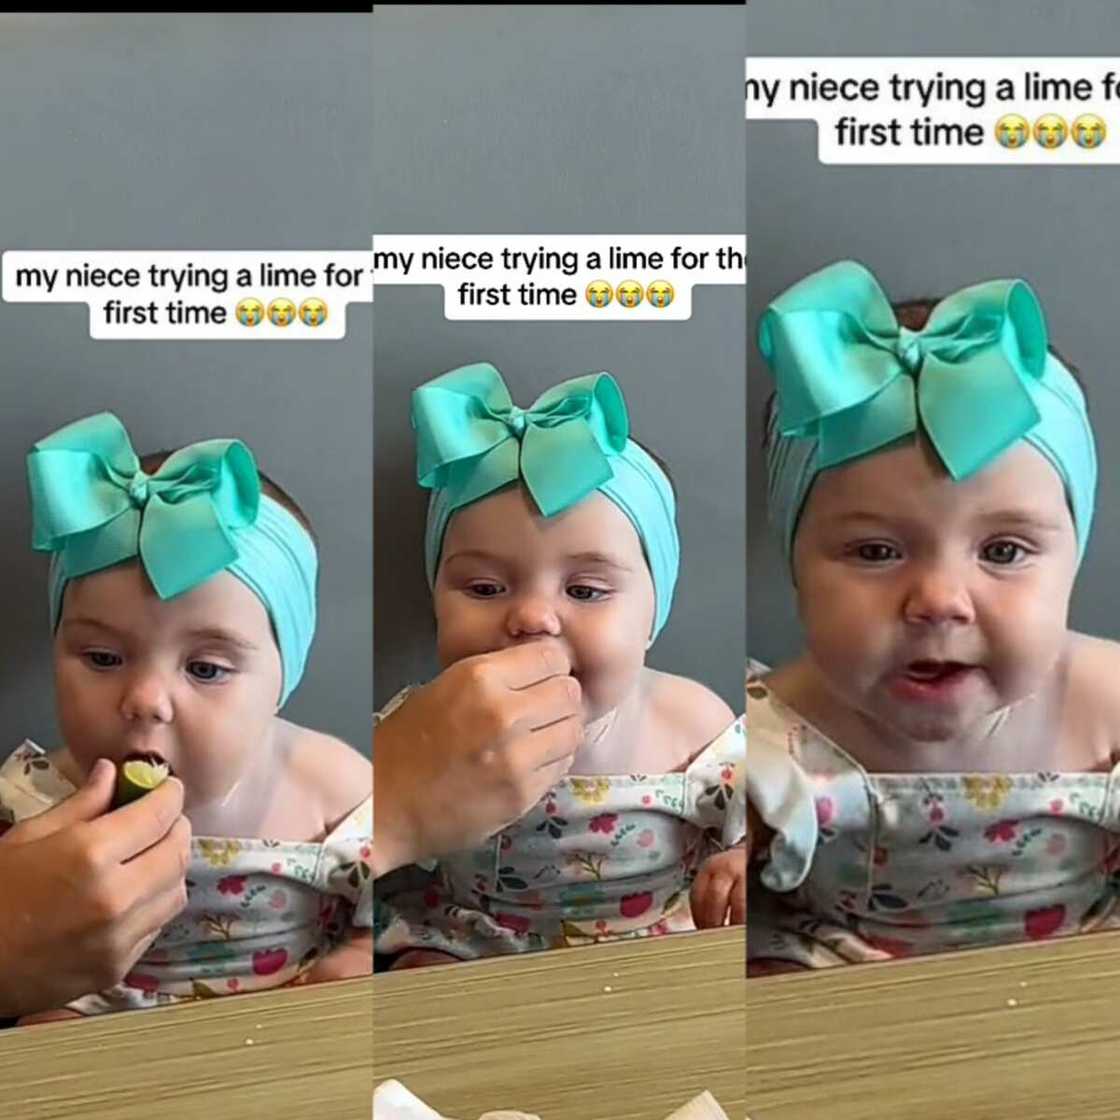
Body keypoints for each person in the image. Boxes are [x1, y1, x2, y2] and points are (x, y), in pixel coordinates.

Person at [747, 260, 1120, 972]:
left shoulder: (1107, 705)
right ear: (796, 563)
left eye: (1004, 550)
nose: (940, 600)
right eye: (877, 550)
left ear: (1074, 560)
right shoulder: (763, 736)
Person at [375, 364, 746, 966]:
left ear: (653, 615)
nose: (532, 617)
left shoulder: (691, 724)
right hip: (472, 941)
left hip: (648, 952)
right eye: (487, 588)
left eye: (586, 591)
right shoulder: (427, 724)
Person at [5, 412, 371, 1020]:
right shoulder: (38, 803)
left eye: (205, 669)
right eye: (102, 657)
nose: (146, 699)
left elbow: (397, 893)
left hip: (282, 1032)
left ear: (283, 680)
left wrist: (359, 954)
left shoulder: (329, 786)